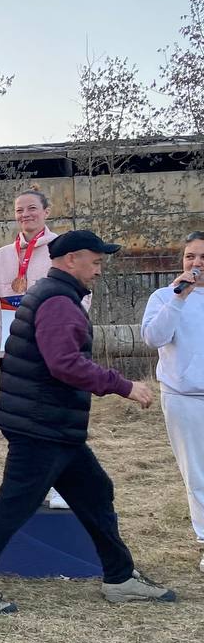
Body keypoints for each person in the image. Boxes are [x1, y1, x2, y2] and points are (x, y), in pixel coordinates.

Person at [0, 230, 175, 613]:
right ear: (72, 259)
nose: (99, 270)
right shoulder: (58, 302)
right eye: (96, 261)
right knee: (14, 506)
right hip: (41, 426)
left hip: (52, 424)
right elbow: (65, 364)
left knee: (96, 492)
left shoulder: (52, 293)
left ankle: (120, 577)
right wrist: (123, 385)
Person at [0, 188, 81, 510]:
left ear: (46, 211)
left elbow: (81, 297)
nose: (26, 215)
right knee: (21, 423)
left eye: (32, 208)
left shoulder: (64, 249)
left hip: (54, 350)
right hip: (15, 351)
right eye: (20, 210)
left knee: (55, 418)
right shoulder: (2, 256)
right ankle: (26, 487)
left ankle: (62, 486)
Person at [140, 230, 204, 571]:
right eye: (190, 256)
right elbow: (154, 337)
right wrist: (179, 299)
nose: (196, 263)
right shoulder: (165, 296)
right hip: (184, 397)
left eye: (203, 257)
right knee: (197, 474)